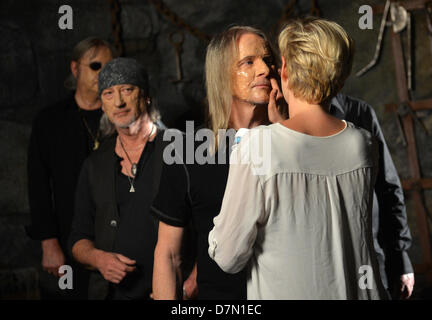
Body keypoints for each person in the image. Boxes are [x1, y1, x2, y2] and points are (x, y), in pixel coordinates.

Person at [208, 18, 389, 299]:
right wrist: (282, 125)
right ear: (339, 77)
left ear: (286, 72)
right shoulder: (364, 143)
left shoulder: (257, 147)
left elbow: (228, 257)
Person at [151, 26, 285, 300]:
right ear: (222, 74)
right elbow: (168, 254)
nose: (264, 69)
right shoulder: (187, 150)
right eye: (248, 62)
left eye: (268, 60)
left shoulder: (293, 142)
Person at [69, 58, 165, 300]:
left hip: (173, 290)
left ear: (146, 96)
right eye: (109, 93)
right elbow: (78, 237)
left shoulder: (178, 152)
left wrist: (190, 284)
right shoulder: (95, 164)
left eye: (127, 90)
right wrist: (98, 258)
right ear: (102, 104)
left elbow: (210, 225)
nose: (119, 102)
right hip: (115, 294)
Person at [26, 37, 114, 299]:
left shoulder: (121, 115)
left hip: (115, 236)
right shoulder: (50, 121)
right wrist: (48, 241)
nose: (103, 74)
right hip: (67, 235)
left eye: (109, 67)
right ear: (75, 69)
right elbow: (38, 184)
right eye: (96, 66)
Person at [329, 93, 414, 299]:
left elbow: (387, 185)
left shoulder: (359, 113)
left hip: (369, 259)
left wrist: (400, 256)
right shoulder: (281, 121)